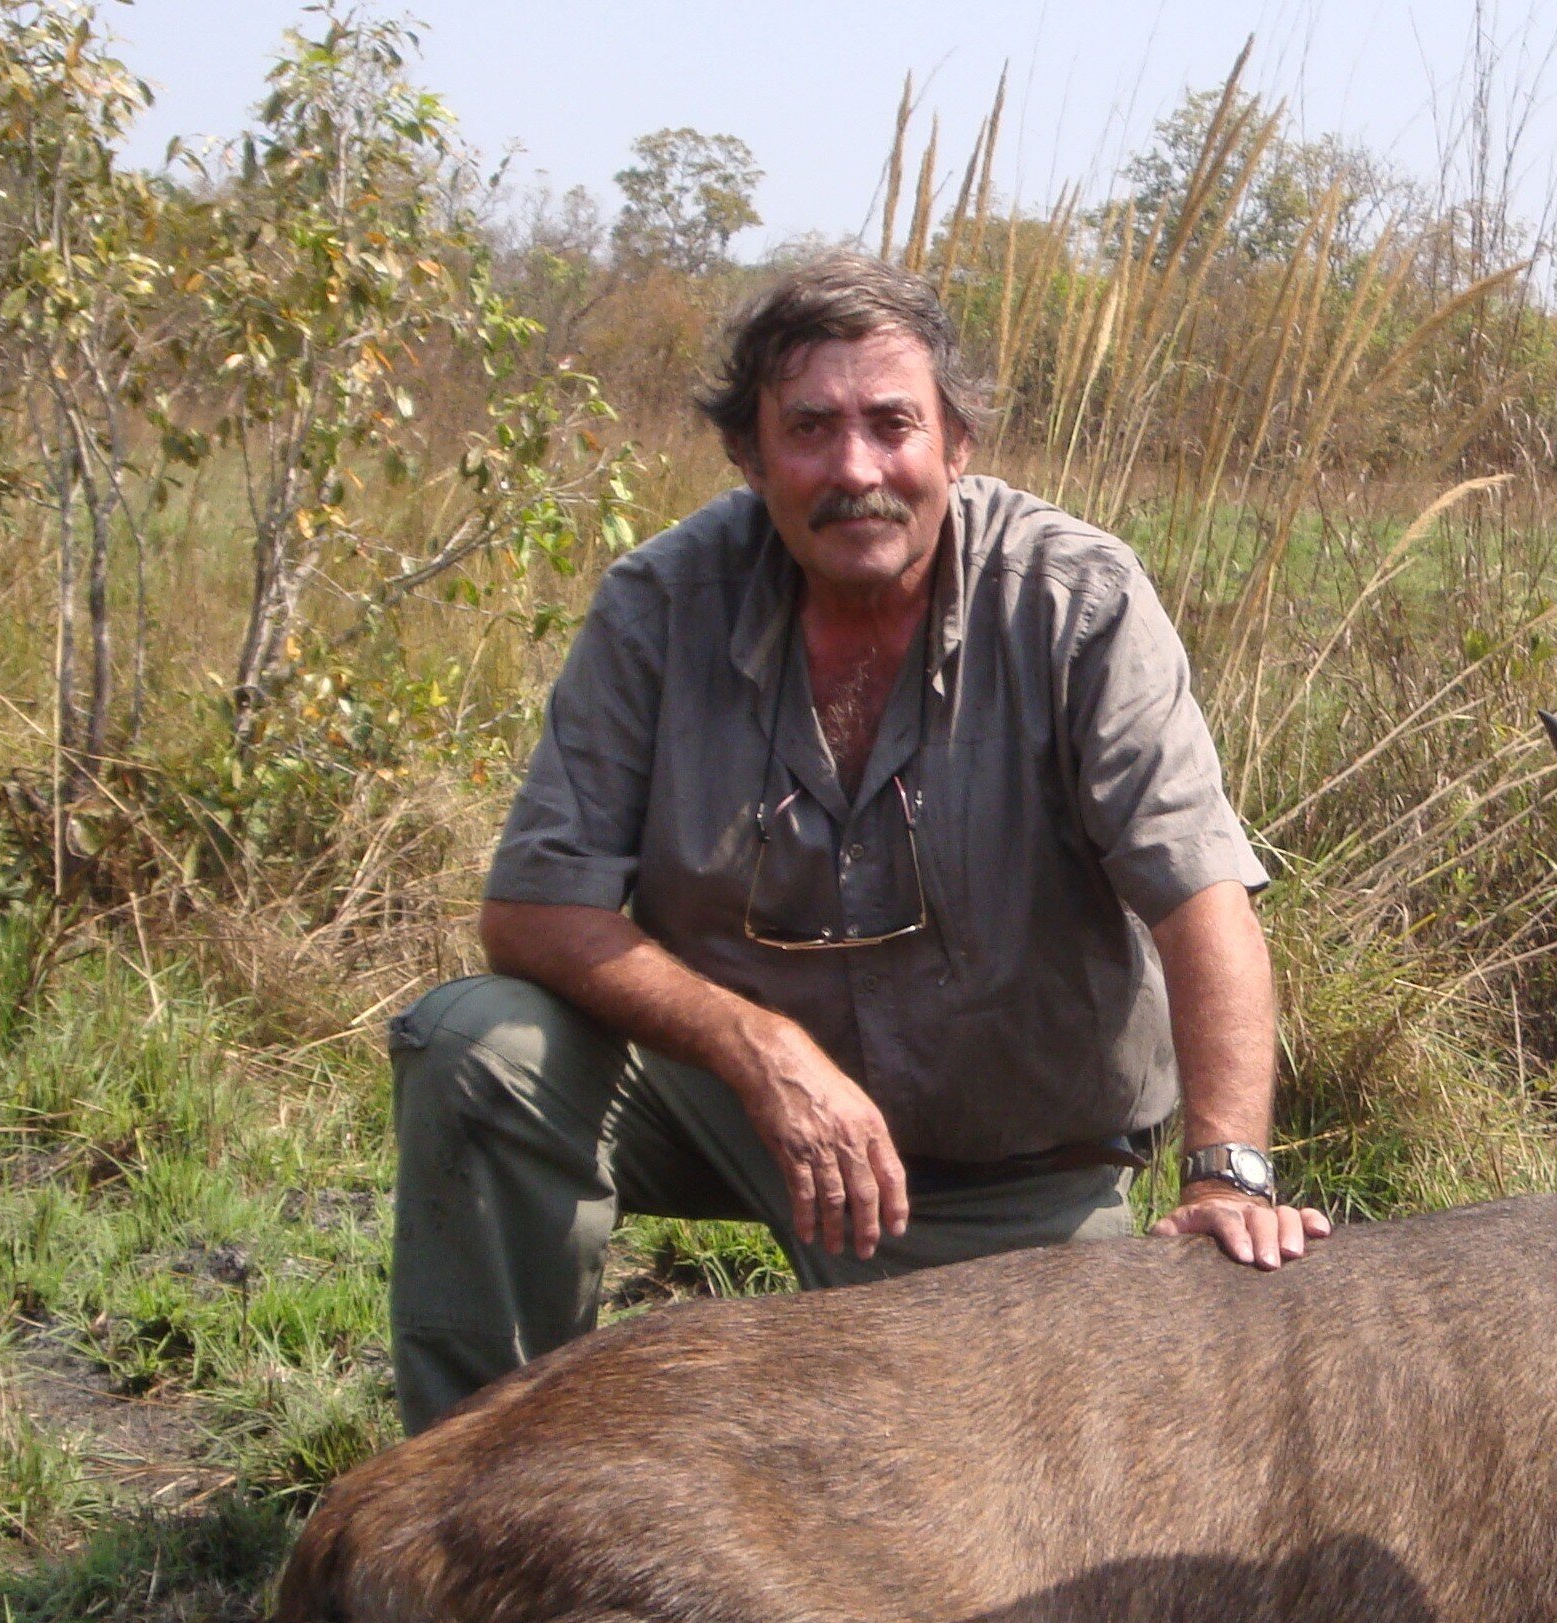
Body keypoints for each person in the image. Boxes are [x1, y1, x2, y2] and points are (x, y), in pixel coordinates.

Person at [386, 251, 1327, 1434]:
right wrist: (759, 1050)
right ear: (748, 455)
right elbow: (530, 908)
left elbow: (1202, 898)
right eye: (810, 429)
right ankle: (465, 1486)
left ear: (958, 442)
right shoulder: (661, 602)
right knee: (480, 1048)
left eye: (892, 424)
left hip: (1003, 1166)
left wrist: (1226, 1167)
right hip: (736, 1114)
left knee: (1015, 1502)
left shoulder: (1075, 600)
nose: (856, 471)